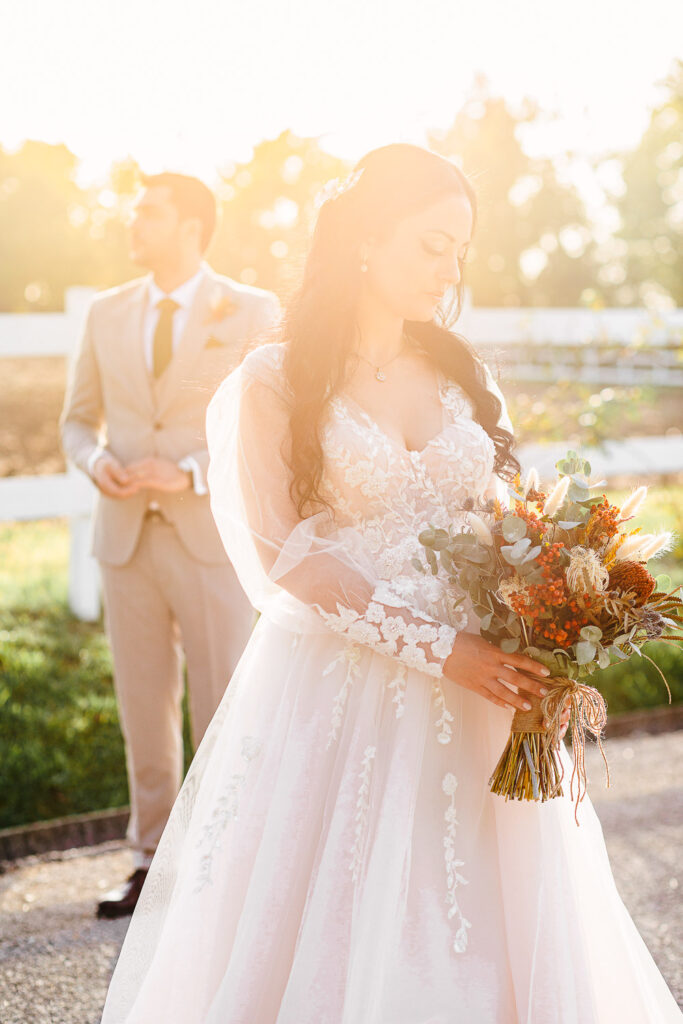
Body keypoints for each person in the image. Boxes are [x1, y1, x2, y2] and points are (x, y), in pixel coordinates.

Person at [100, 147, 681, 1022]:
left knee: (502, 909)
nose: (449, 272)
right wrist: (440, 650)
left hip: (487, 685)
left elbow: (506, 521)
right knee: (344, 907)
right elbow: (288, 557)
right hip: (348, 683)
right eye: (431, 246)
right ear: (367, 241)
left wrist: (547, 629)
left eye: (459, 251)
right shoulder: (272, 380)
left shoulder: (461, 376)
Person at [61, 172, 280, 919]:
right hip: (124, 542)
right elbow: (76, 420)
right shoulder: (104, 312)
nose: (134, 222)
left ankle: (229, 858)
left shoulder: (252, 311)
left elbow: (264, 431)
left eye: (148, 212)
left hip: (212, 538)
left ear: (191, 225)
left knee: (225, 704)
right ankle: (150, 859)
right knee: (142, 711)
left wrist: (189, 470)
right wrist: (97, 464)